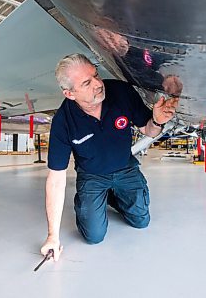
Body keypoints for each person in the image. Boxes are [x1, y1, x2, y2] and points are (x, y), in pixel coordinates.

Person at [40, 53, 179, 261]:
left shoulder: (121, 92)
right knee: (93, 237)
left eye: (96, 75)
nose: (98, 84)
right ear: (69, 94)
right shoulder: (63, 122)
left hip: (125, 167)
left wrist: (157, 121)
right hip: (92, 176)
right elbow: (56, 180)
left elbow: (148, 130)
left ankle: (112, 196)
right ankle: (94, 199)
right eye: (87, 83)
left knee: (141, 221)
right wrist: (53, 236)